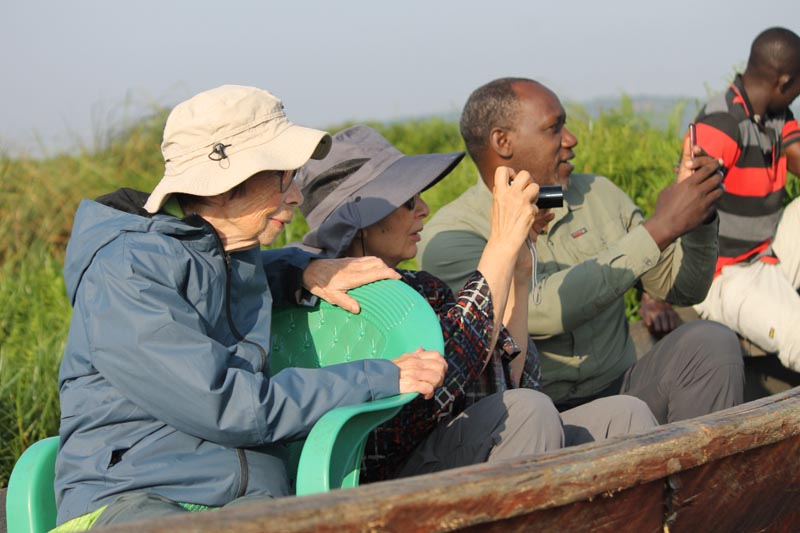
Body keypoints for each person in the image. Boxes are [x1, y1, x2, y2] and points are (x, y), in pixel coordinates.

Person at [53, 86, 447, 529]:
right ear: (226, 185)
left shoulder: (226, 251)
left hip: (247, 495)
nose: (296, 196)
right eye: (283, 178)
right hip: (135, 496)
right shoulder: (125, 274)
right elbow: (228, 405)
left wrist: (301, 269)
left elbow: (220, 275)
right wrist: (377, 376)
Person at [296, 125, 657, 482]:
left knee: (624, 415)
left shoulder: (423, 288)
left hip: (455, 449)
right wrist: (498, 244)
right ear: (361, 222)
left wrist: (517, 269)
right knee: (527, 414)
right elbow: (442, 381)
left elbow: (511, 383)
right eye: (408, 201)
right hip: (389, 477)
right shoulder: (330, 305)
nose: (423, 208)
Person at [419, 77, 746, 424]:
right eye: (553, 128)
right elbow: (541, 311)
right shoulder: (450, 235)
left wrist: (697, 217)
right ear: (503, 142)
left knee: (712, 342)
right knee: (577, 416)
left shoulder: (599, 194)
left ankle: (703, 477)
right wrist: (659, 229)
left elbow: (683, 289)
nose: (571, 140)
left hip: (622, 387)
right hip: (532, 420)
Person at [689, 27, 800, 372]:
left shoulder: (777, 115)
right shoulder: (722, 122)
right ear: (783, 82)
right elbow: (684, 208)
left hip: (766, 253)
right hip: (726, 275)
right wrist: (655, 292)